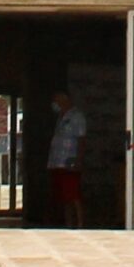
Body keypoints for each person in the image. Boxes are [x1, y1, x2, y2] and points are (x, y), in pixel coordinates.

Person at [45, 86, 88, 228]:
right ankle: (69, 224)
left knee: (73, 194)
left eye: (57, 100)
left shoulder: (77, 117)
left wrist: (78, 160)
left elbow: (82, 140)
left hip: (70, 162)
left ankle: (80, 224)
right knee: (64, 197)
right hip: (57, 162)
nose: (55, 104)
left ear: (65, 99)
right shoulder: (60, 117)